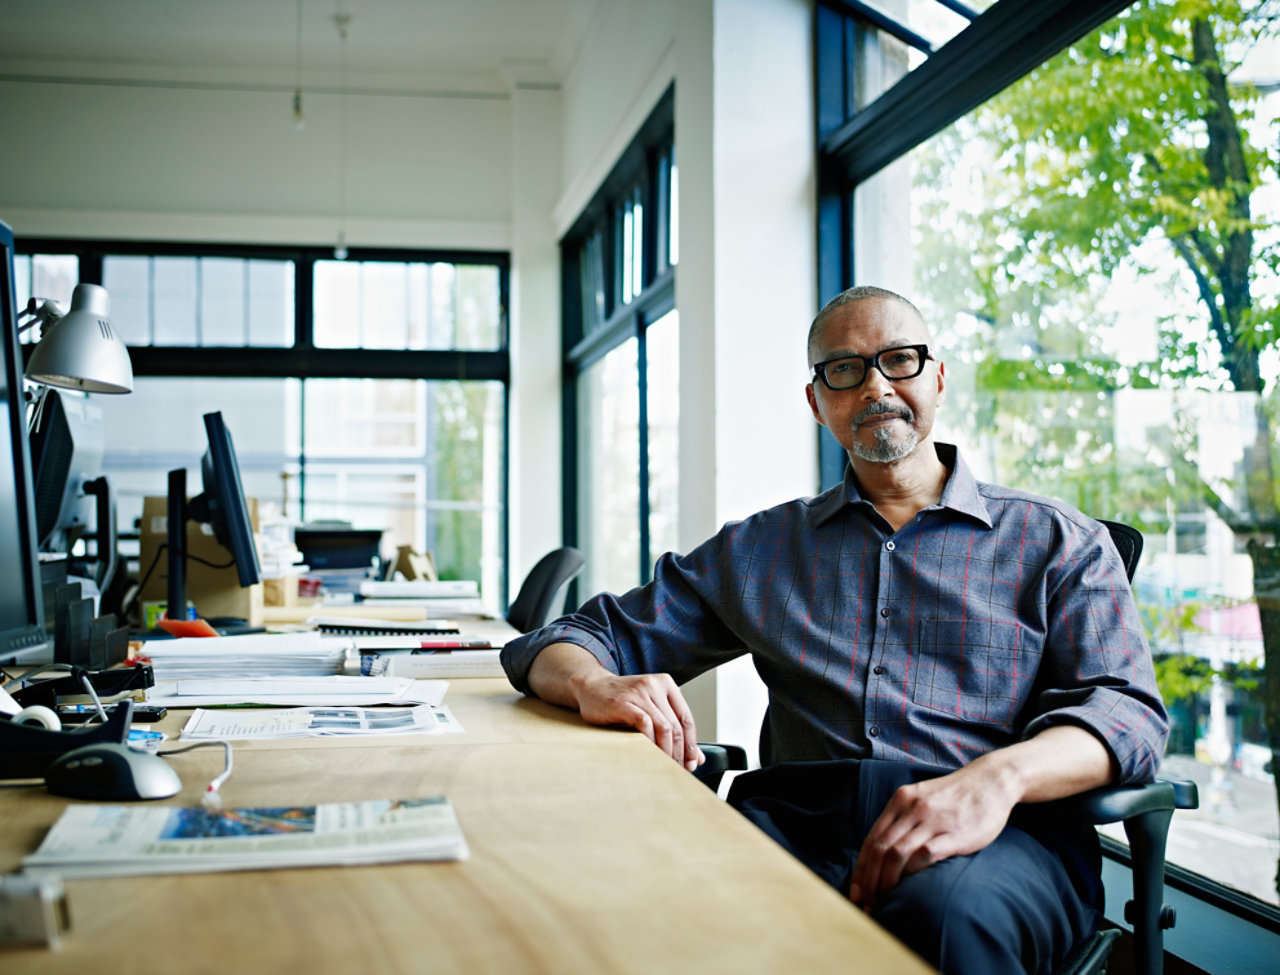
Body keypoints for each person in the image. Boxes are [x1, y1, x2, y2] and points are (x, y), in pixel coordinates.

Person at [500, 285, 1169, 974]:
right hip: (797, 824)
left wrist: (996, 779)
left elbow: (1129, 713)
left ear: (936, 379)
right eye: (845, 369)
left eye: (899, 360)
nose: (876, 385)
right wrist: (595, 684)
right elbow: (559, 642)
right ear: (818, 402)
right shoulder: (761, 549)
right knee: (636, 909)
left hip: (997, 833)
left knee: (941, 923)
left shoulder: (1058, 541)